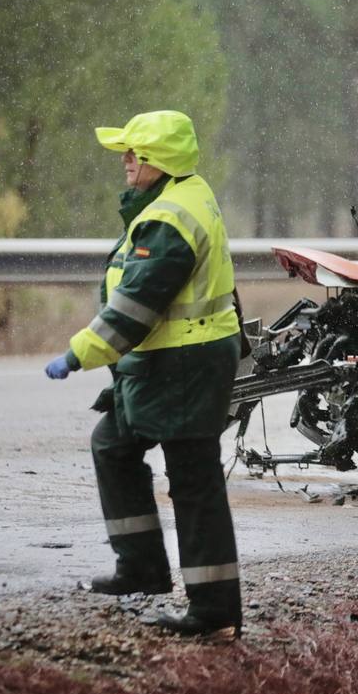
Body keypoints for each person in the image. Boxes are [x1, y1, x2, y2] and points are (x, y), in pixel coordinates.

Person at [44, 110, 243, 637]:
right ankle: (141, 570)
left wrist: (78, 353)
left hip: (184, 364)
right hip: (163, 363)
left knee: (194, 482)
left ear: (158, 161)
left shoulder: (169, 218)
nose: (126, 163)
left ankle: (214, 611)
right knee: (113, 446)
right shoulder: (174, 198)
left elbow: (135, 307)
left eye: (135, 154)